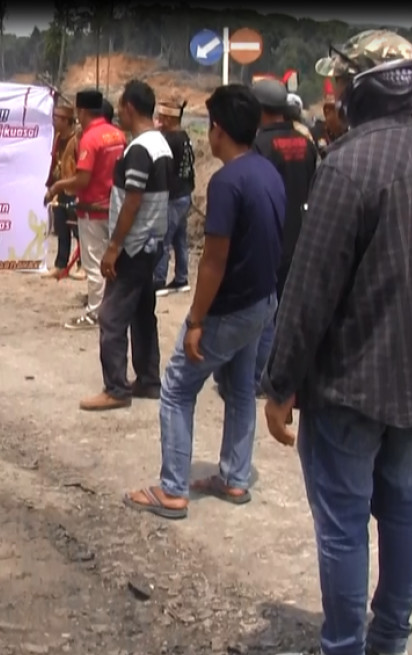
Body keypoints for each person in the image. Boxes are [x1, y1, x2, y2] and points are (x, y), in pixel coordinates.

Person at [261, 30, 412, 655]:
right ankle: (390, 641)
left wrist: (278, 382)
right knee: (403, 505)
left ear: (356, 92)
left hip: (351, 380)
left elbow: (308, 288)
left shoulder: (347, 166)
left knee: (344, 519)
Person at [122, 84, 282, 520]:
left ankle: (172, 489)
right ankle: (234, 477)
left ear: (219, 130)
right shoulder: (267, 172)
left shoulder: (227, 182)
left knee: (175, 388)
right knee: (240, 388)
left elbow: (212, 261)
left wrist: (196, 320)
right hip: (263, 302)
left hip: (230, 308)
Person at [214, 78, 319, 396]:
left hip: (268, 235)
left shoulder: (259, 146)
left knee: (262, 308)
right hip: (299, 235)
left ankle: (257, 375)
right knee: (286, 306)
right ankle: (280, 371)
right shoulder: (306, 142)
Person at [80, 80, 169, 411]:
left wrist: (114, 246)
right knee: (143, 314)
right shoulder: (160, 144)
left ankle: (116, 388)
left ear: (130, 107)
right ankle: (148, 379)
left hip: (133, 245)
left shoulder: (140, 150)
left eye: (120, 107)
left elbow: (133, 200)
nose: (118, 112)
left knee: (112, 316)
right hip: (151, 242)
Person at [46, 90, 126, 330]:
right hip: (114, 207)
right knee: (112, 261)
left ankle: (95, 313)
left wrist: (58, 186)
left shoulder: (90, 139)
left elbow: (82, 179)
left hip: (92, 208)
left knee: (94, 264)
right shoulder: (118, 134)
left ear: (81, 112)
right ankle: (112, 307)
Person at [153, 99, 194, 296]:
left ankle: (158, 279)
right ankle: (181, 277)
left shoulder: (169, 139)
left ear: (169, 119)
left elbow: (164, 168)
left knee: (163, 238)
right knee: (180, 239)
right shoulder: (184, 137)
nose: (159, 120)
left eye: (161, 117)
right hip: (185, 193)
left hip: (173, 195)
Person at [46, 101, 79, 277]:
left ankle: (83, 265)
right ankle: (61, 264)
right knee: (61, 227)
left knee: (78, 229)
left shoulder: (76, 141)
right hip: (59, 188)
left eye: (57, 118)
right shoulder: (58, 138)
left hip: (72, 188)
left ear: (67, 121)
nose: (54, 121)